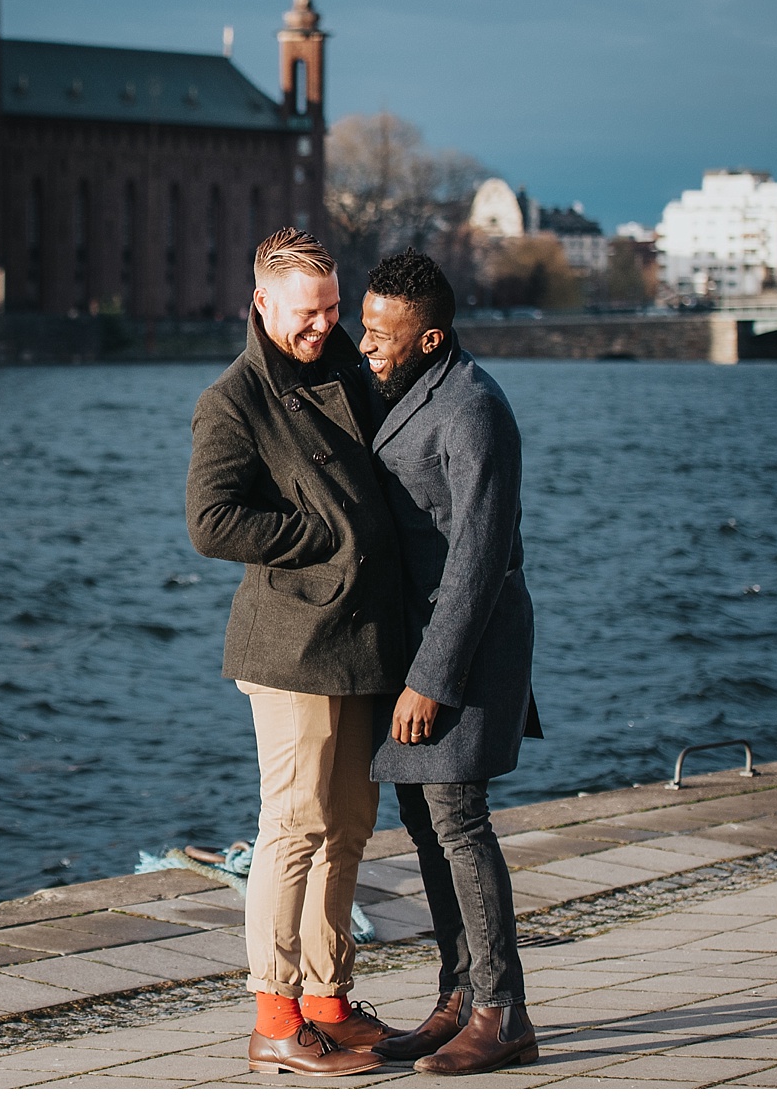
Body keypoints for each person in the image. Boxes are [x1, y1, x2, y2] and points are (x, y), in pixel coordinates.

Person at [186, 228, 409, 1077]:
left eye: (331, 307)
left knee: (350, 823)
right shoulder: (234, 399)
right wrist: (326, 532)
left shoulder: (352, 371)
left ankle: (327, 1001)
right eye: (306, 312)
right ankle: (275, 1016)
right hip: (292, 642)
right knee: (293, 825)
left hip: (363, 636)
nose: (322, 324)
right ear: (263, 304)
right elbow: (211, 522)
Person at [356, 250, 542, 1074]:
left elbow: (479, 554)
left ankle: (503, 1011)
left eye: (380, 333)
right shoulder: (400, 384)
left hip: (463, 650)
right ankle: (459, 995)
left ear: (430, 337)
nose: (366, 345)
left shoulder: (473, 409)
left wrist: (433, 677)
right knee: (428, 825)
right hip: (409, 646)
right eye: (363, 326)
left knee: (459, 822)